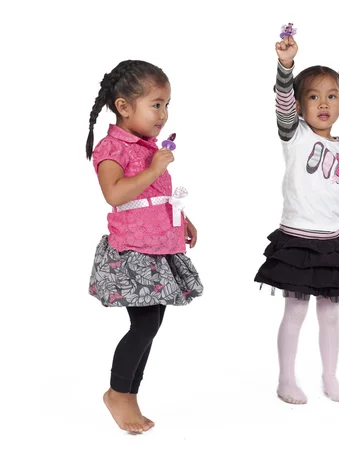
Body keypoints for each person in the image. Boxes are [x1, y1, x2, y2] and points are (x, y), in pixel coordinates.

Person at [86, 60, 203, 433]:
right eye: (156, 104)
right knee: (145, 325)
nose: (164, 114)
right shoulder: (111, 147)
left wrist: (181, 219)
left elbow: (155, 194)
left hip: (159, 246)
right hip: (134, 251)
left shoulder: (146, 146)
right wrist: (153, 168)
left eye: (167, 104)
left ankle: (129, 391)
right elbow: (114, 193)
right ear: (124, 106)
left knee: (152, 325)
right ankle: (119, 393)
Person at [254, 35, 339, 405]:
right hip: (298, 241)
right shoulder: (295, 135)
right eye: (314, 97)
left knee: (331, 314)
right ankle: (286, 378)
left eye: (331, 96)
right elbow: (283, 104)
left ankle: (330, 376)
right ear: (302, 107)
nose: (323, 103)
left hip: (334, 243)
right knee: (295, 310)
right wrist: (286, 66)